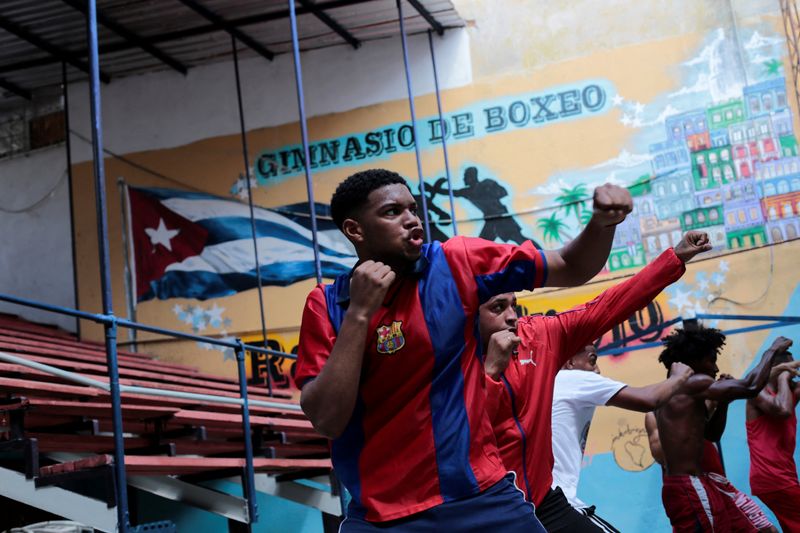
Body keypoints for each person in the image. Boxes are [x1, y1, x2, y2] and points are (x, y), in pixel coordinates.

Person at [294, 168, 632, 531]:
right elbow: (326, 420)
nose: (411, 220)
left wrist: (601, 225)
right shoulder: (327, 305)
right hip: (383, 518)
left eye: (413, 209)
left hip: (481, 499)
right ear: (355, 230)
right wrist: (360, 313)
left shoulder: (456, 263)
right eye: (393, 212)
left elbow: (570, 265)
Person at [481, 231, 710, 532]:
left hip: (543, 499)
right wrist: (491, 374)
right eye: (498, 308)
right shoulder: (450, 361)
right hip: (492, 510)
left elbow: (608, 306)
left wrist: (674, 259)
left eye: (514, 304)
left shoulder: (537, 336)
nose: (512, 316)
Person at [654, 327, 793, 532]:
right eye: (711, 360)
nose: (716, 368)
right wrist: (771, 351)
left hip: (703, 483)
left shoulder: (680, 390)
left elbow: (711, 434)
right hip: (689, 486)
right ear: (694, 361)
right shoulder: (692, 383)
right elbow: (751, 386)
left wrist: (724, 403)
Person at [645, 392, 777, 532]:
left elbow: (714, 434)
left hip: (720, 485)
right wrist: (695, 416)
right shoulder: (656, 413)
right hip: (694, 489)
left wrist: (721, 404)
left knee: (768, 530)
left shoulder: (701, 402)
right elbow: (660, 455)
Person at [746, 349, 800, 531]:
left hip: (783, 476)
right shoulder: (758, 393)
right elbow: (783, 410)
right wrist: (783, 377)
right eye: (788, 369)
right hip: (772, 476)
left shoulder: (790, 393)